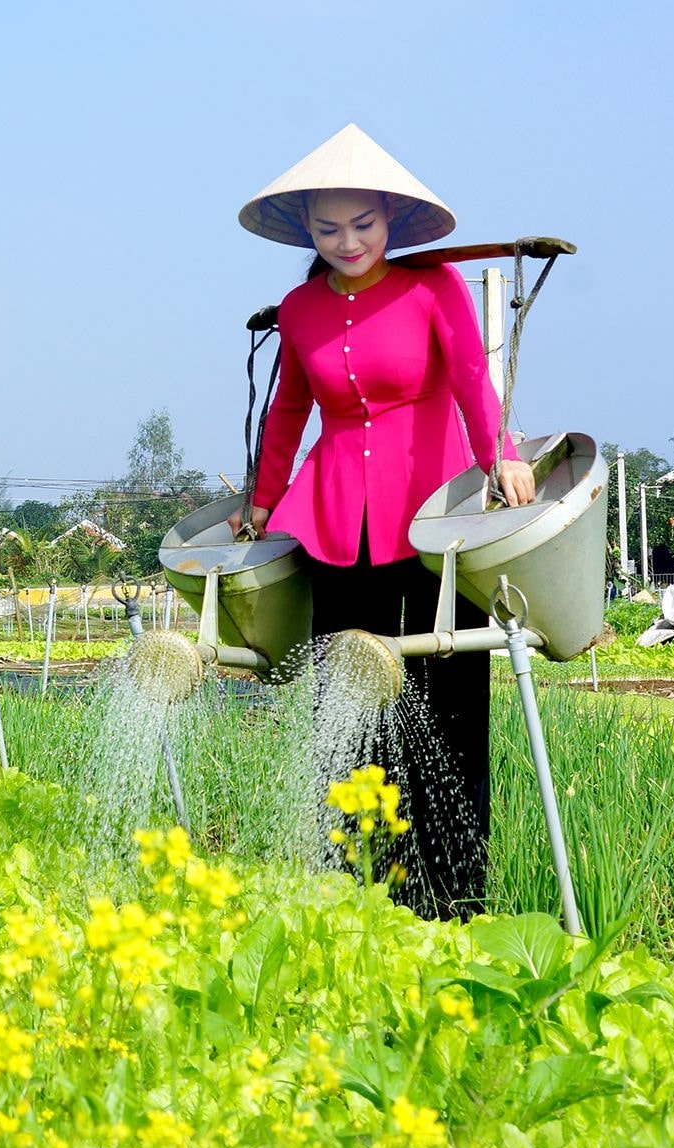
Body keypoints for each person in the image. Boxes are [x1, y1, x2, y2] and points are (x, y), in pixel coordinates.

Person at [235, 124, 537, 919]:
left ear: (390, 223)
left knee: (450, 700)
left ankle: (452, 899)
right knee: (348, 701)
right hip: (338, 518)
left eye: (362, 225)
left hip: (435, 513)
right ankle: (350, 888)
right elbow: (290, 409)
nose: (347, 242)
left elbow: (473, 381)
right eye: (329, 228)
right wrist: (263, 500)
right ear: (306, 229)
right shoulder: (299, 309)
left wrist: (502, 452)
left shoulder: (430, 288)